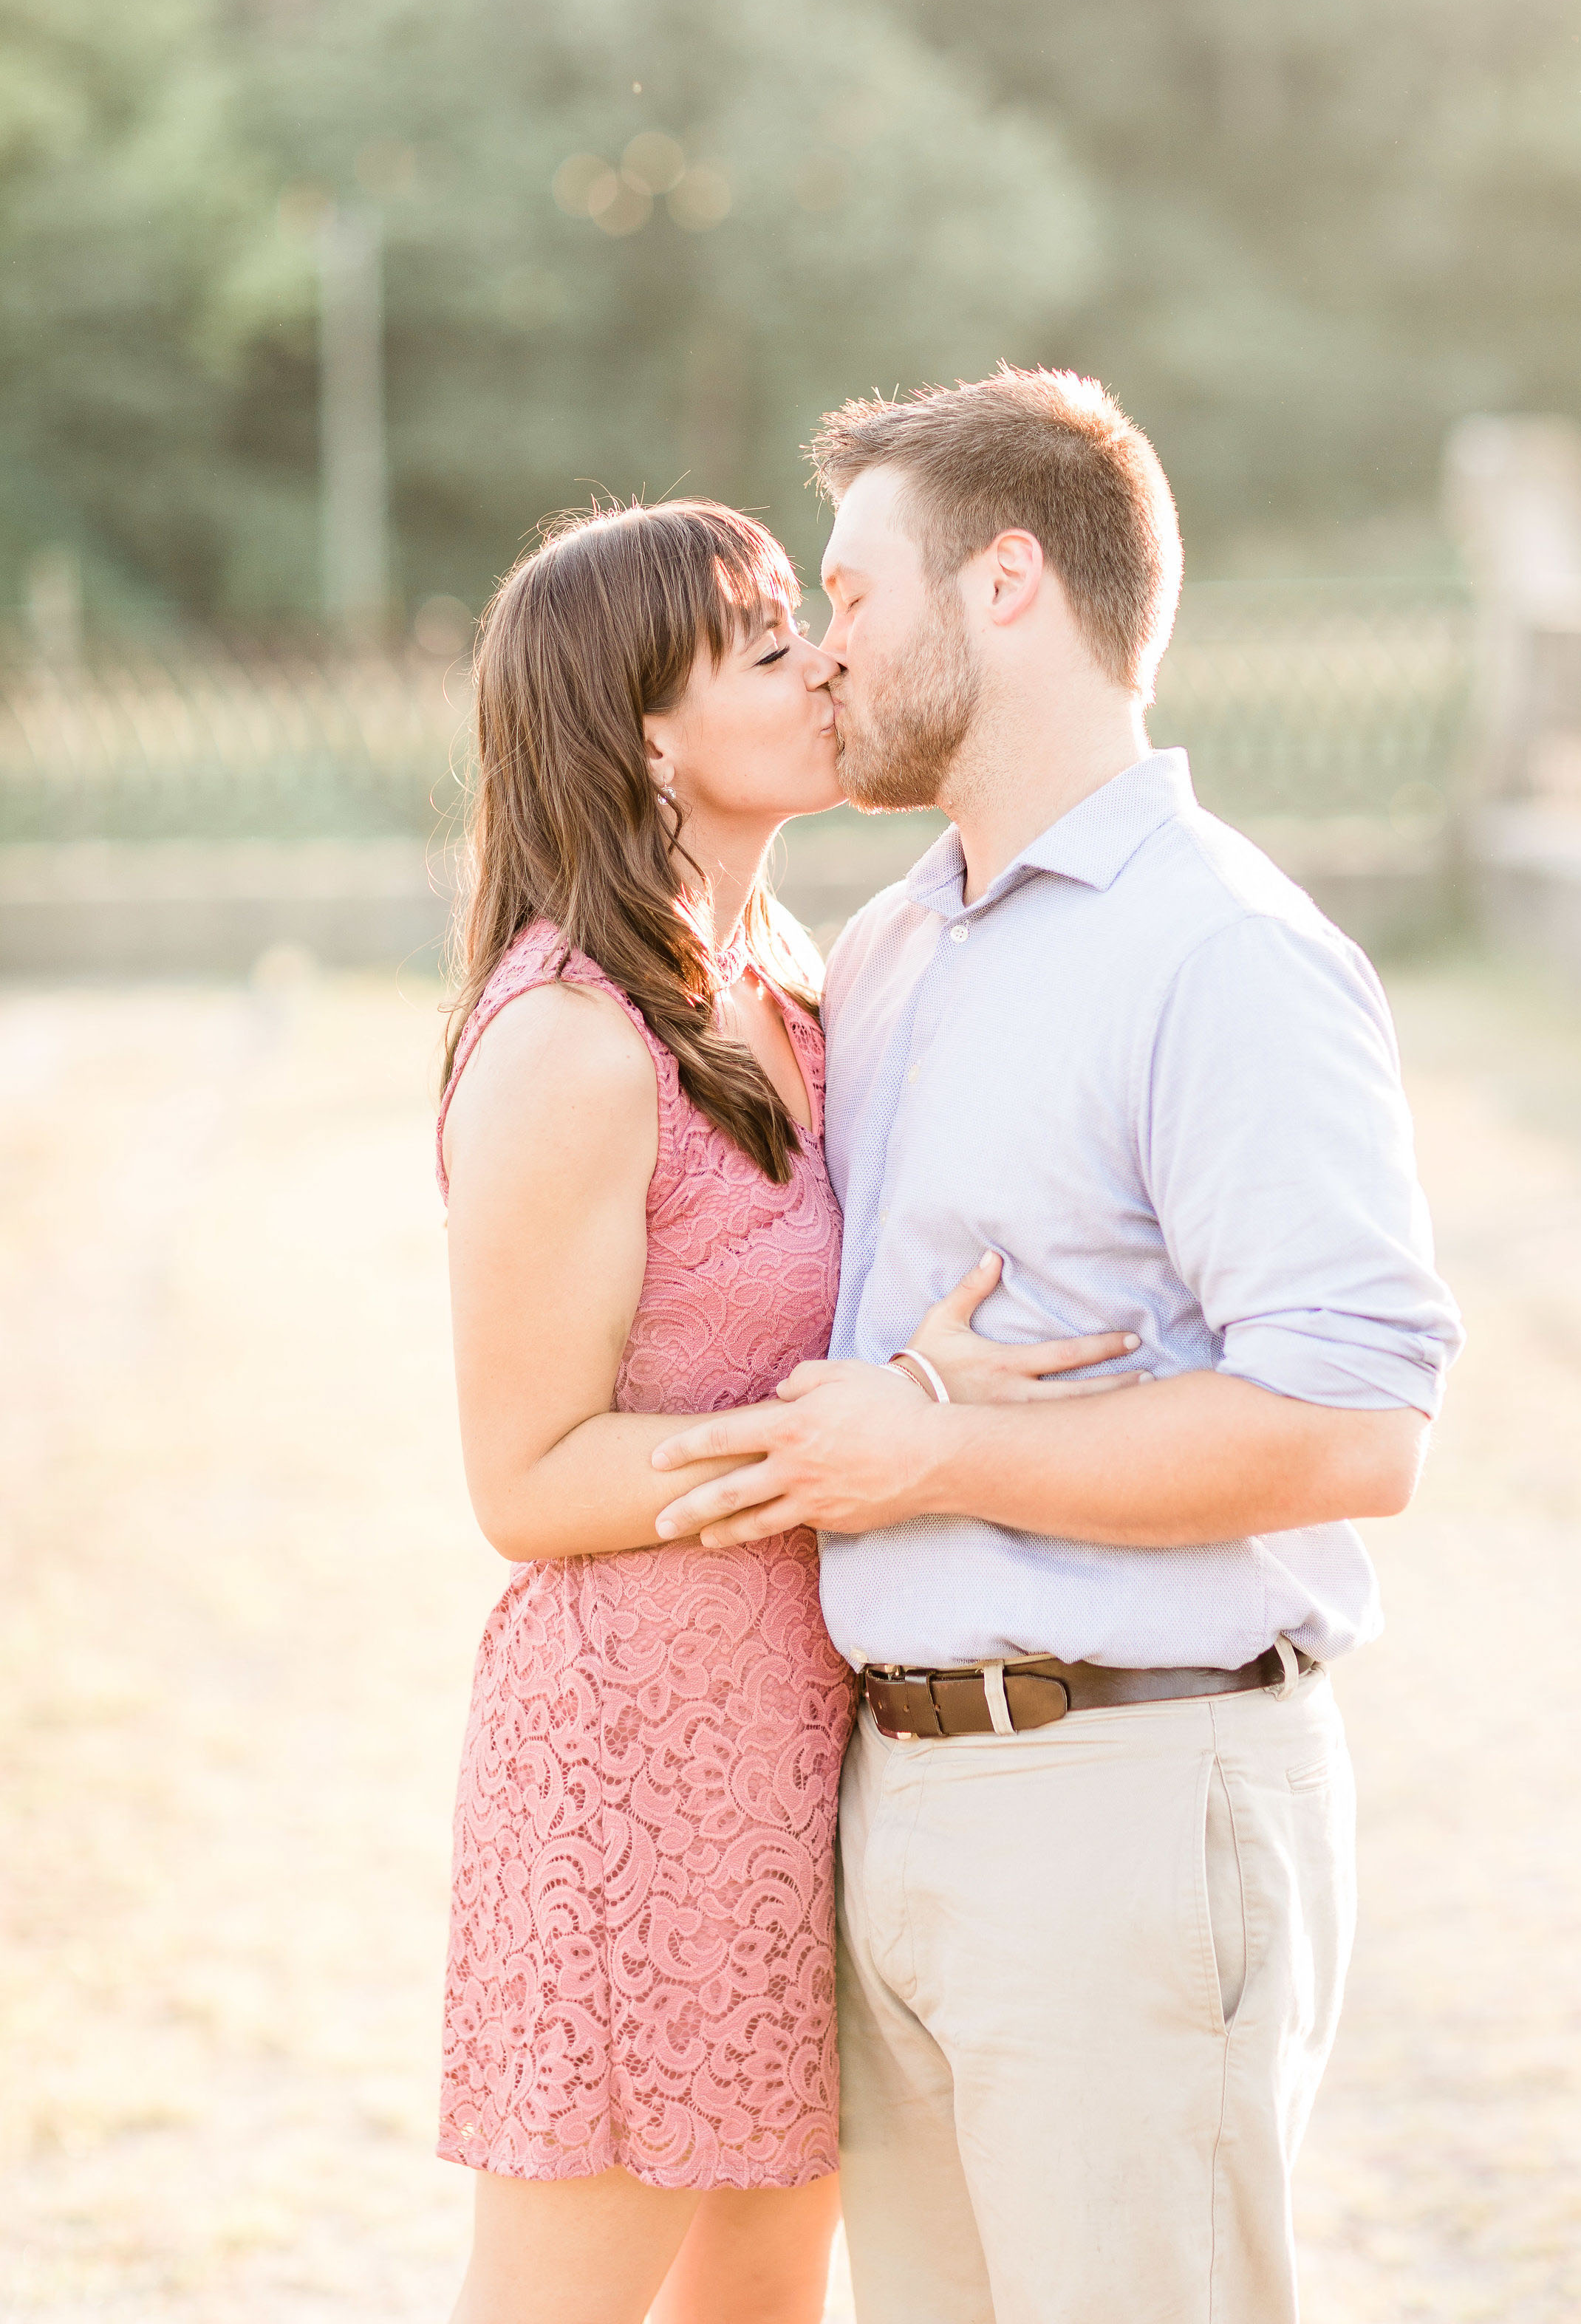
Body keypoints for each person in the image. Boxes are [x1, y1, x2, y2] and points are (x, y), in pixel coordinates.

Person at [651, 372, 1466, 2324]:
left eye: (851, 593)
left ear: (1006, 583)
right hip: (901, 1809)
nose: (821, 650)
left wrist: (936, 1458)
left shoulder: (1223, 954)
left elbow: (1358, 1424)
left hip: (1131, 1789)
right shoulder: (894, 946)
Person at [434, 499, 1138, 2324]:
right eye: (767, 648)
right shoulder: (571, 1043)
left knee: (761, 2301)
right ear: (647, 731)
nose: (825, 662)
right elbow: (522, 1477)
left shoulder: (806, 991)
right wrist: (882, 1421)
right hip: (637, 1762)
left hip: (815, 1753)